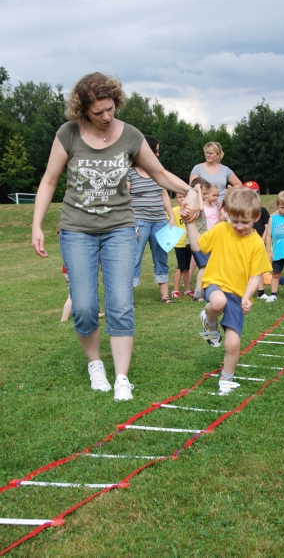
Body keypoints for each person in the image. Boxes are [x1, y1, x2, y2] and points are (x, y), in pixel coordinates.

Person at [32, 72, 200, 402]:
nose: (107, 117)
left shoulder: (130, 136)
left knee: (121, 303)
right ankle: (96, 364)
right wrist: (37, 225)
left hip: (121, 229)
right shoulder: (68, 134)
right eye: (98, 112)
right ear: (82, 110)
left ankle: (122, 377)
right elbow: (50, 181)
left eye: (110, 109)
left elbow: (159, 173)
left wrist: (191, 190)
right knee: (83, 306)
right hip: (76, 230)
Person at [185, 188, 271, 395]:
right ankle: (209, 320)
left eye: (245, 222)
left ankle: (226, 380)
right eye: (235, 221)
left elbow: (255, 275)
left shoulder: (256, 243)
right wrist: (189, 222)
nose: (239, 227)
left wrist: (248, 296)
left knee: (233, 344)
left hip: (237, 295)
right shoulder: (222, 229)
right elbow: (197, 246)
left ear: (257, 218)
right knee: (218, 302)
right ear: (228, 215)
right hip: (215, 283)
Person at [126, 135, 174, 304]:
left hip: (160, 221)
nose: (158, 155)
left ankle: (164, 296)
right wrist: (130, 222)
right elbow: (125, 198)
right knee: (134, 258)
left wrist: (171, 217)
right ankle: (127, 298)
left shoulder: (157, 172)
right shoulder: (130, 173)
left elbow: (164, 195)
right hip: (139, 222)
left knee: (161, 257)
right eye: (156, 151)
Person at [242, 181, 270, 299]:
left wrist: (262, 241)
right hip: (245, 243)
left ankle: (261, 292)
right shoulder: (242, 211)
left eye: (253, 193)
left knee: (257, 268)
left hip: (258, 243)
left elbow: (267, 227)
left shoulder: (262, 211)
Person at [189, 177, 211, 302]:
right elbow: (202, 208)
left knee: (205, 266)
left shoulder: (197, 201)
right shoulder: (194, 202)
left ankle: (201, 290)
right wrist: (197, 189)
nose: (205, 196)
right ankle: (198, 293)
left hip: (203, 239)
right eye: (204, 194)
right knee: (204, 266)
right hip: (197, 241)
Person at [171, 193, 193, 299]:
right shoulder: (174, 210)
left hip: (189, 242)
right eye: (179, 197)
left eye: (184, 196)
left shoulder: (191, 210)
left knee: (187, 268)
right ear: (176, 199)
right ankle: (175, 290)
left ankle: (187, 290)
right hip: (179, 243)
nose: (182, 199)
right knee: (181, 266)